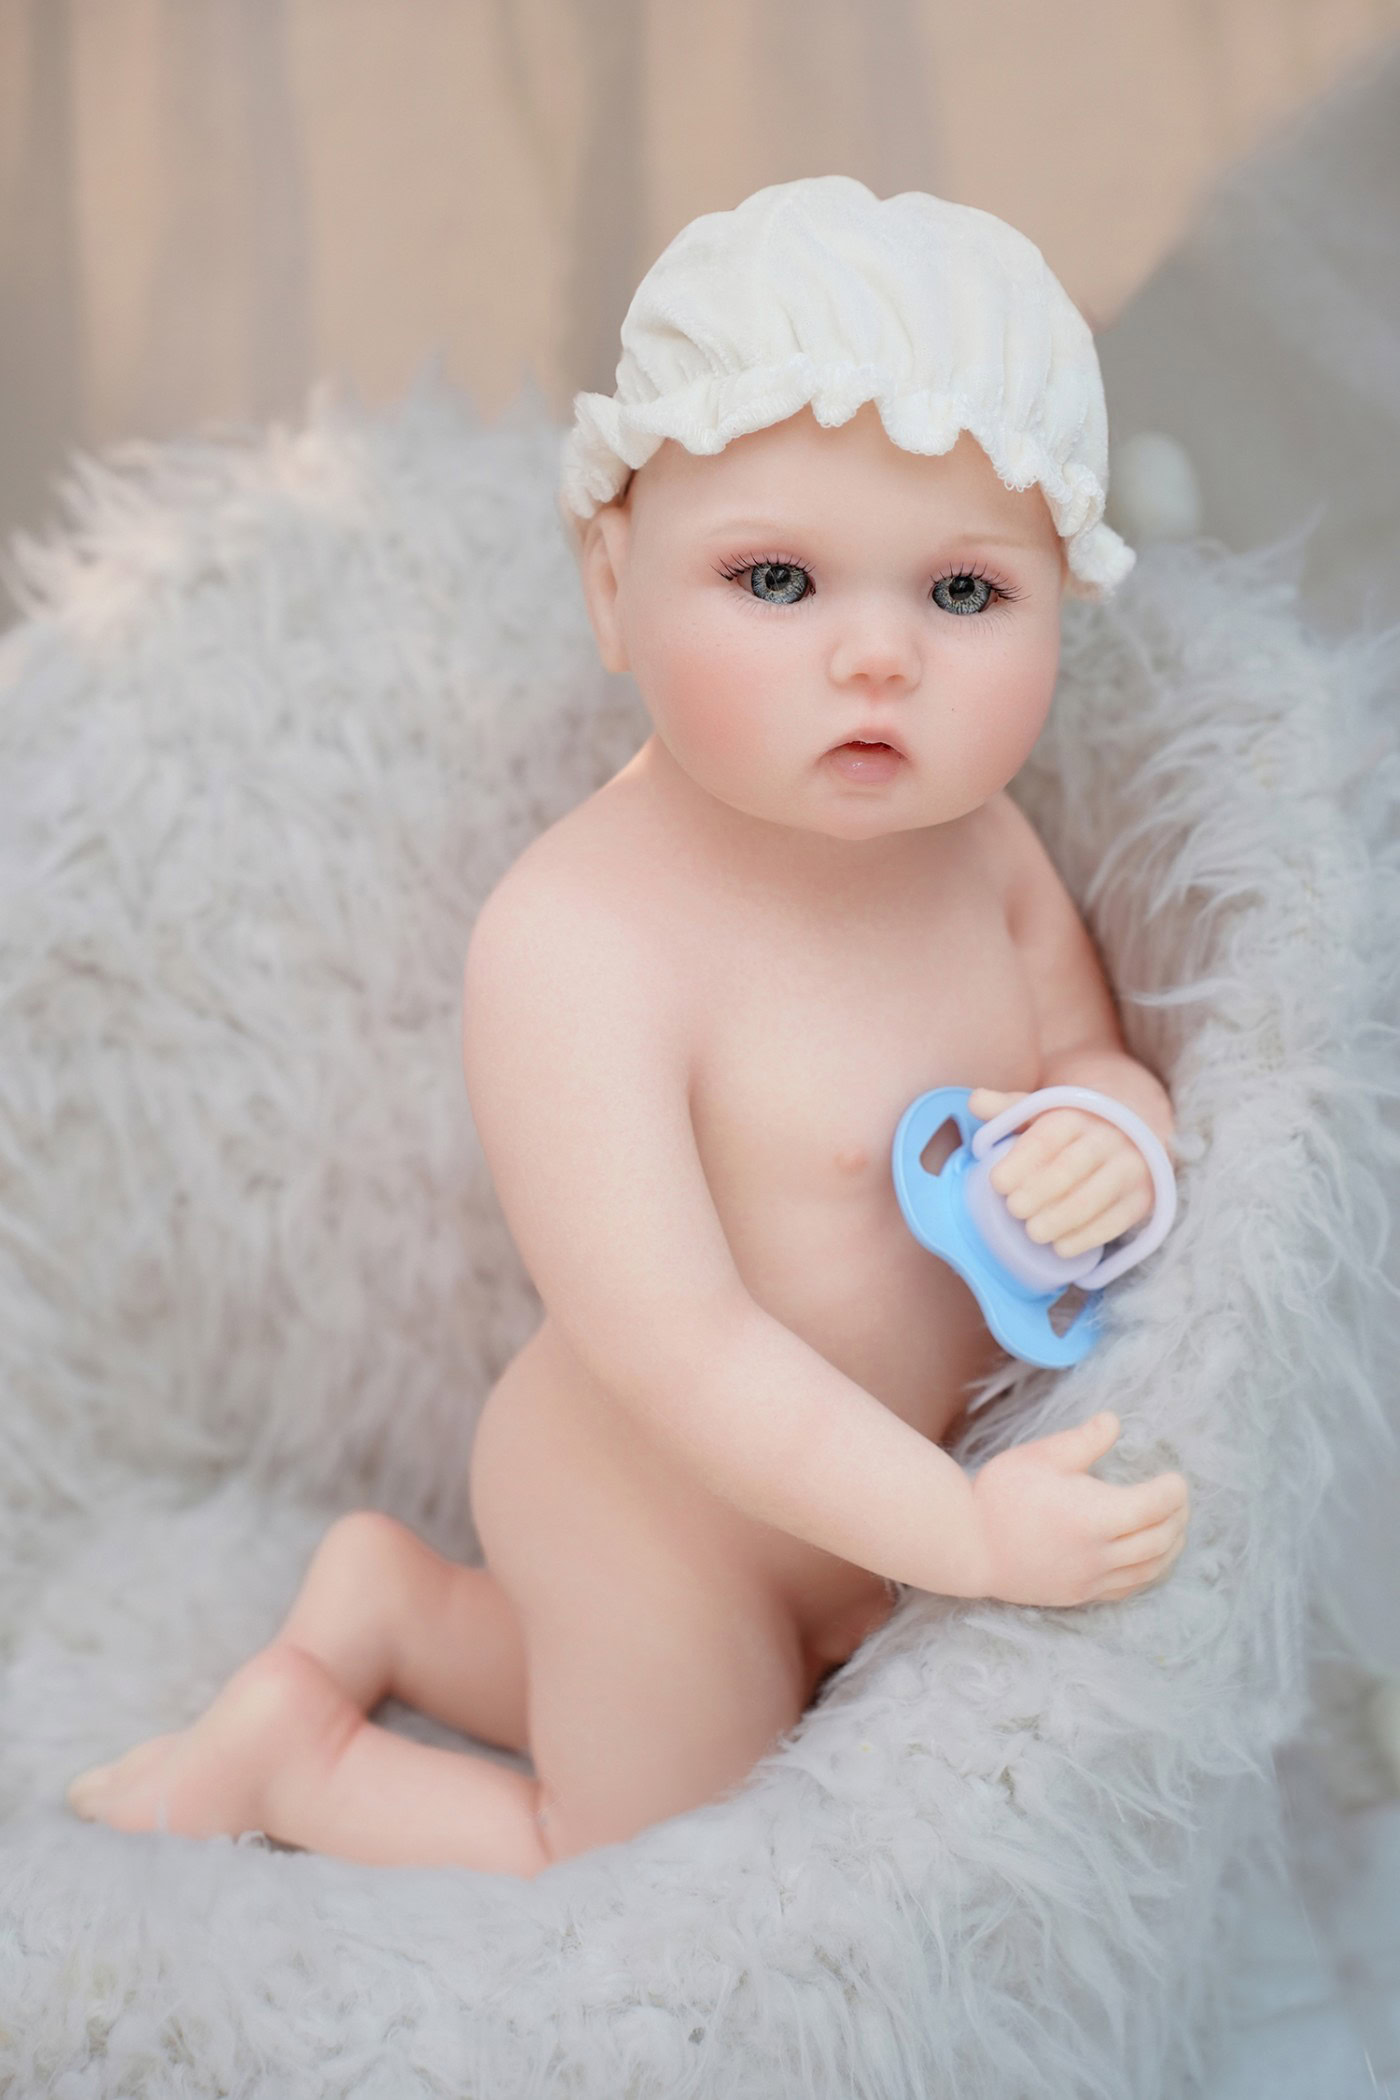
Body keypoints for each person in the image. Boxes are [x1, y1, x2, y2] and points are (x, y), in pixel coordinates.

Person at [67, 177, 1190, 1877]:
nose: (877, 655)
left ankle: (403, 1607)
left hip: (867, 1509)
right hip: (661, 1509)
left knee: (731, 1721)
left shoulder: (986, 851)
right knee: (650, 1855)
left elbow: (1091, 1059)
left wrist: (1109, 1140)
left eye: (964, 594)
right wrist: (964, 1535)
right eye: (776, 578)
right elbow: (685, 1348)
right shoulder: (579, 944)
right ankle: (299, 1760)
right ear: (612, 585)